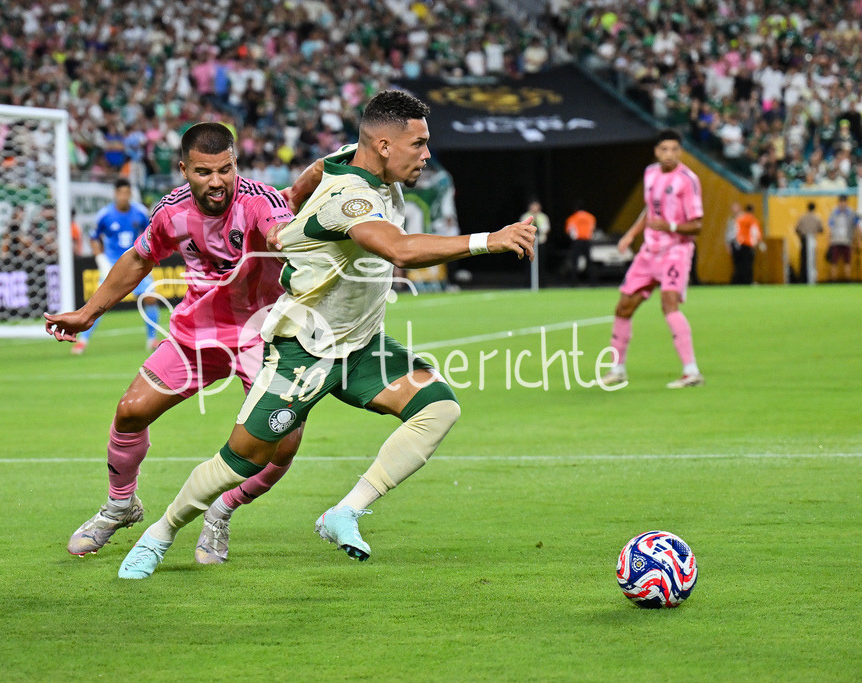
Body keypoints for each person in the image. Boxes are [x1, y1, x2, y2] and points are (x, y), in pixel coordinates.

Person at [116, 90, 537, 579]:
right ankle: (161, 532)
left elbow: (320, 166)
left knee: (439, 407)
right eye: (419, 144)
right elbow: (399, 250)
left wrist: (290, 205)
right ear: (383, 145)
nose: (427, 154)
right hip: (305, 350)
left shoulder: (351, 163)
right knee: (241, 460)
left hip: (360, 346)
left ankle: (345, 511)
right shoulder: (350, 200)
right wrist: (491, 240)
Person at [44, 123, 306, 559]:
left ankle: (221, 511)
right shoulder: (171, 211)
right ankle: (120, 504)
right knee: (130, 411)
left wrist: (284, 238)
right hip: (197, 332)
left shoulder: (262, 201)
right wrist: (87, 314)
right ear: (184, 169)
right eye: (205, 172)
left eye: (226, 169)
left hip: (265, 333)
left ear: (236, 163)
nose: (218, 181)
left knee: (283, 442)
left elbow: (279, 226)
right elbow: (138, 258)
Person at [601, 129, 705, 389]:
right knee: (623, 307)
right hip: (649, 252)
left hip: (676, 251)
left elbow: (697, 224)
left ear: (680, 152)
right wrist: (630, 234)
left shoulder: (688, 180)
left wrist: (669, 226)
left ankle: (691, 371)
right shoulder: (650, 174)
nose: (669, 154)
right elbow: (650, 210)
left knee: (669, 303)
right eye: (664, 149)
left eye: (674, 150)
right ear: (656, 151)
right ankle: (617, 369)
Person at [72, 178, 158, 354]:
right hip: (112, 264)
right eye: (122, 193)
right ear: (116, 194)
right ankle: (83, 341)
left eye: (128, 193)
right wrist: (101, 260)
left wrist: (148, 255)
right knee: (98, 303)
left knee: (150, 297)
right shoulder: (105, 215)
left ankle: (152, 339)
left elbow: (149, 233)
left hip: (135, 262)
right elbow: (94, 238)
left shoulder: (140, 212)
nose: (125, 196)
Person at [827, 195, 860, 282]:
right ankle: (833, 280)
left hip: (847, 241)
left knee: (848, 261)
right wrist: (829, 241)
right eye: (841, 202)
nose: (842, 204)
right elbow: (830, 228)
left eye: (844, 202)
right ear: (838, 203)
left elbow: (857, 227)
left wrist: (858, 240)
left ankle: (848, 279)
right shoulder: (834, 213)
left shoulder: (851, 213)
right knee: (834, 262)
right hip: (835, 241)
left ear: (846, 202)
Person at [520, 198, 550, 286]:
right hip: (529, 244)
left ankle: (542, 284)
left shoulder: (543, 217)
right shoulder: (525, 216)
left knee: (541, 264)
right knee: (528, 265)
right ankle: (528, 284)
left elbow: (547, 229)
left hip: (540, 243)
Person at [731, 204, 764, 285]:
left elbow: (735, 230)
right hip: (748, 244)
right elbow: (755, 232)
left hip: (738, 244)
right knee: (748, 265)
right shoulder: (753, 220)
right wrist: (760, 243)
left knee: (739, 265)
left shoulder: (739, 219)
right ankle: (748, 281)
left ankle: (738, 282)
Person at [565, 201, 595, 284]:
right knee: (589, 262)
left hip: (577, 241)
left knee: (575, 262)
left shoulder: (572, 218)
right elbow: (592, 228)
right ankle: (592, 282)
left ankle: (573, 282)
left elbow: (569, 230)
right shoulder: (591, 217)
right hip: (587, 241)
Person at [793, 202, 823, 284]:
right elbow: (821, 230)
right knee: (812, 260)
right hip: (812, 239)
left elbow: (797, 229)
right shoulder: (817, 217)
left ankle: (803, 279)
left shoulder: (802, 217)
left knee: (803, 260)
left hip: (804, 239)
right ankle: (812, 279)